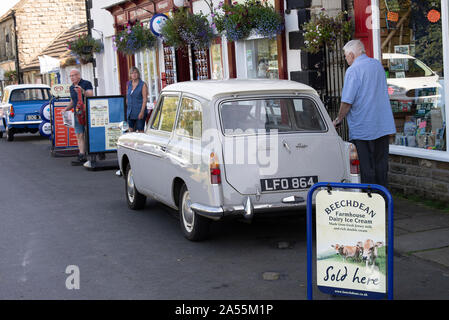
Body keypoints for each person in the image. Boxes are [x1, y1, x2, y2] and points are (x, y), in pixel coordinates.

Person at [333, 40, 396, 188]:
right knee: (381, 165)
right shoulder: (377, 65)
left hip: (363, 126)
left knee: (366, 167)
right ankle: (383, 199)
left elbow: (347, 101)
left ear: (351, 54)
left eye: (345, 56)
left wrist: (338, 119)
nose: (345, 59)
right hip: (381, 124)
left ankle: (371, 201)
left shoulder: (353, 70)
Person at [64, 69, 93, 166]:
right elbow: (73, 101)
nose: (72, 77)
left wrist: (82, 91)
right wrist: (66, 109)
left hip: (87, 112)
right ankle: (82, 155)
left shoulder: (86, 83)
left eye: (74, 75)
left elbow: (90, 95)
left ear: (79, 75)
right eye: (71, 76)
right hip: (77, 113)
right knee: (79, 134)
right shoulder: (71, 87)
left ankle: (96, 152)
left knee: (89, 133)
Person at [126, 67, 148, 132]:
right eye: (132, 73)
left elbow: (145, 99)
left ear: (138, 74)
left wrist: (142, 112)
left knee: (140, 131)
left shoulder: (143, 84)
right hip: (130, 112)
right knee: (130, 131)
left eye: (135, 72)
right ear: (130, 75)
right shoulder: (128, 84)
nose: (134, 74)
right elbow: (127, 97)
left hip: (139, 111)